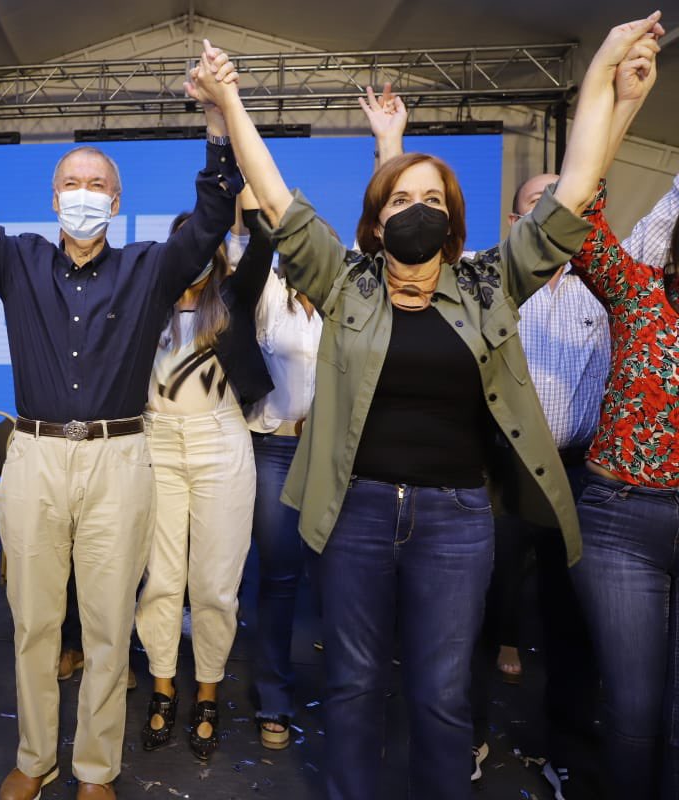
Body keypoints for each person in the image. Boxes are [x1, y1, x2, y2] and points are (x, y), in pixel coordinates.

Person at [189, 13, 656, 795]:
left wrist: (606, 72)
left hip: (458, 519)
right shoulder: (345, 282)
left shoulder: (488, 284)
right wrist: (231, 100)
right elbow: (271, 194)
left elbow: (574, 191)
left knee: (442, 696)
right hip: (357, 513)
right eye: (402, 197)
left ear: (452, 217)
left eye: (433, 198)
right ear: (378, 219)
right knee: (353, 685)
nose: (418, 209)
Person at [0, 33, 242, 800]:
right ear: (54, 200)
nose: (84, 192)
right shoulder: (16, 260)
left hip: (121, 459)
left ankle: (94, 770)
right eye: (72, 182)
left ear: (114, 203)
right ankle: (34, 759)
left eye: (97, 184)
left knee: (110, 625)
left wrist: (217, 119)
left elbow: (215, 212)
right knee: (34, 624)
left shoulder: (151, 268)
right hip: (36, 459)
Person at [367, 86, 610, 796]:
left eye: (559, 201)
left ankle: (568, 750)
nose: (548, 210)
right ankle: (466, 739)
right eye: (535, 202)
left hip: (577, 475)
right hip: (494, 477)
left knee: (569, 622)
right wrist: (390, 145)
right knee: (470, 622)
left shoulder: (596, 290)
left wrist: (613, 100)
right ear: (512, 221)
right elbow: (403, 232)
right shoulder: (481, 280)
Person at [564, 27, 679, 799]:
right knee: (634, 713)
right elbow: (577, 209)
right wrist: (618, 93)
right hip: (622, 521)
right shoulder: (639, 292)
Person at [135, 205, 272, 761]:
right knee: (161, 579)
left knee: (215, 585)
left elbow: (264, 240)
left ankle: (208, 692)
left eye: (202, 239)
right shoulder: (147, 305)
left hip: (221, 442)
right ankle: (163, 686)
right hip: (157, 443)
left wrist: (245, 196)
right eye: (183, 240)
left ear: (215, 250)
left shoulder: (233, 296)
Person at [230, 186, 322, 753]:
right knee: (280, 578)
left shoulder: (347, 297)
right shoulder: (267, 290)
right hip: (274, 450)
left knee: (342, 581)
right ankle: (274, 698)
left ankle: (349, 699)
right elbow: (248, 239)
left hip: (334, 455)